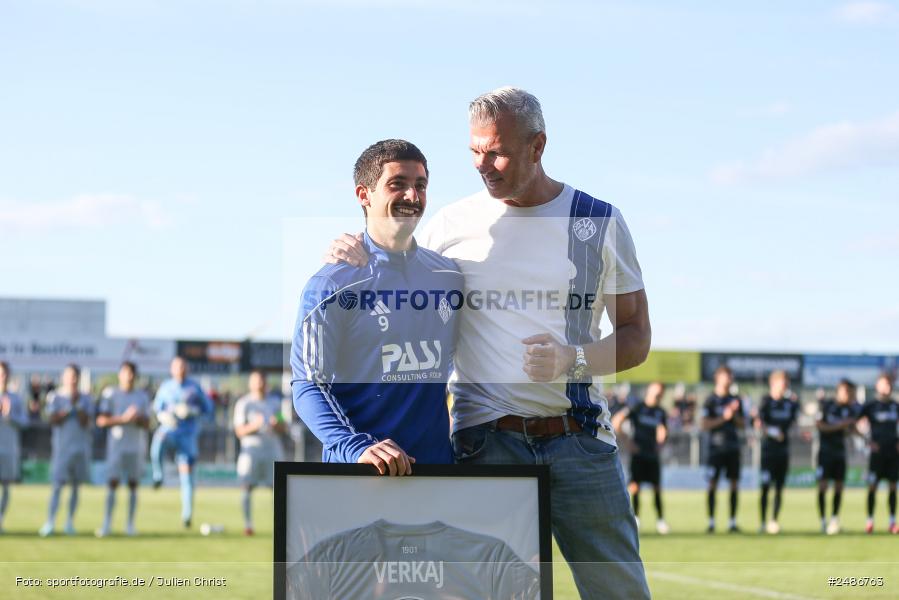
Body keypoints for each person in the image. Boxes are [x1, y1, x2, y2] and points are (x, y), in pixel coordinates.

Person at [326, 88, 652, 600]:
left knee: (621, 593)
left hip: (580, 440)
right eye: (475, 151)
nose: (484, 165)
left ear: (538, 145)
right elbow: (389, 263)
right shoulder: (450, 226)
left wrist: (575, 358)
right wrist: (350, 247)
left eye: (496, 151)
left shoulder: (597, 221)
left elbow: (637, 336)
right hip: (485, 444)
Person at [292, 139, 461, 477]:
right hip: (359, 476)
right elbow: (308, 385)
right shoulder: (331, 284)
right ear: (364, 195)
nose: (412, 196)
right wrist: (357, 447)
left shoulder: (450, 277)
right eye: (397, 184)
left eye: (420, 185)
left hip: (436, 476)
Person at [150, 356, 212, 528]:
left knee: (187, 475)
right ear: (172, 369)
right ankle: (158, 475)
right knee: (158, 440)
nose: (181, 370)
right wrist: (163, 416)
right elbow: (157, 408)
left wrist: (192, 411)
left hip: (187, 435)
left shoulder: (195, 387)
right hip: (169, 430)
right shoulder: (166, 387)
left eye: (183, 367)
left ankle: (187, 515)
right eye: (177, 367)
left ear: (188, 369)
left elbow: (208, 409)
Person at [95, 361, 150, 537]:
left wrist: (137, 418)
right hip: (116, 447)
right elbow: (102, 421)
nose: (129, 376)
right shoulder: (111, 394)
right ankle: (106, 524)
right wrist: (124, 419)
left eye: (132, 373)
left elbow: (148, 422)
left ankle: (130, 525)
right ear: (120, 375)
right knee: (112, 483)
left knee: (133, 485)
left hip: (135, 446)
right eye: (126, 373)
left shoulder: (142, 397)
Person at [39, 364, 94, 536]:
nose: (72, 380)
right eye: (69, 376)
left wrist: (77, 406)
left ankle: (69, 522)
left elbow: (86, 421)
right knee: (57, 486)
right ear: (63, 377)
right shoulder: (55, 397)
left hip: (81, 448)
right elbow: (53, 420)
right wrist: (68, 408)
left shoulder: (86, 399)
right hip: (62, 449)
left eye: (75, 376)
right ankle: (50, 522)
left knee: (76, 486)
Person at [612, 381, 669, 534]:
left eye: (660, 392)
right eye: (655, 390)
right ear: (649, 390)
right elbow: (617, 421)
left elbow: (663, 430)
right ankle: (636, 518)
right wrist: (627, 441)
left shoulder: (661, 412)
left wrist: (660, 443)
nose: (657, 394)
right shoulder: (638, 407)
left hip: (652, 455)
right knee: (635, 487)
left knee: (657, 489)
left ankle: (661, 520)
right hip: (638, 454)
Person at [233, 369, 287, 535]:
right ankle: (248, 525)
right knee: (246, 486)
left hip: (272, 449)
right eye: (256, 380)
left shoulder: (275, 403)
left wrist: (275, 424)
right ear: (250, 383)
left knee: (277, 487)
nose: (259, 384)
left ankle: (279, 526)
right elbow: (239, 431)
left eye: (262, 380)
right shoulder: (244, 404)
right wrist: (255, 426)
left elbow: (283, 426)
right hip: (252, 451)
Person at [754, 370, 800, 534]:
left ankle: (774, 521)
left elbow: (795, 422)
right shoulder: (765, 401)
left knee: (779, 488)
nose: (785, 385)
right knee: (765, 487)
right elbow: (758, 423)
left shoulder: (790, 403)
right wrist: (774, 433)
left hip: (783, 451)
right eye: (782, 382)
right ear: (773, 383)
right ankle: (762, 522)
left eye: (787, 382)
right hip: (768, 452)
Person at [701, 365, 744, 533]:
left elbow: (743, 424)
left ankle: (732, 522)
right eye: (727, 376)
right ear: (718, 378)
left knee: (734, 484)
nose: (729, 379)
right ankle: (711, 522)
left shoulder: (736, 400)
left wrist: (734, 415)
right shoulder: (710, 400)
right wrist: (723, 417)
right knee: (712, 484)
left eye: (731, 376)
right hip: (716, 449)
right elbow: (704, 424)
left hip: (733, 448)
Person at [815, 379, 859, 535]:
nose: (852, 396)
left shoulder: (851, 409)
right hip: (825, 452)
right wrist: (841, 425)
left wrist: (865, 438)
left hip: (840, 452)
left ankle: (834, 519)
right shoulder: (826, 405)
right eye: (850, 392)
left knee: (839, 486)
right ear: (841, 391)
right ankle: (822, 521)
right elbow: (820, 425)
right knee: (823, 486)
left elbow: (850, 430)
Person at [859, 373, 899, 534]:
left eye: (889, 384)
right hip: (877, 454)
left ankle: (892, 522)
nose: (886, 387)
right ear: (877, 386)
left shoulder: (895, 406)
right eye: (884, 384)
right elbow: (854, 423)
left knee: (892, 487)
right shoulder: (870, 406)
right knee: (872, 487)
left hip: (893, 454)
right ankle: (870, 521)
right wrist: (868, 441)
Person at [0, 362, 27, 533]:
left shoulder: (15, 398)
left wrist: (10, 416)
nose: (2, 377)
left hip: (8, 448)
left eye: (5, 374)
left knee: (6, 485)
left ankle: (1, 519)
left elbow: (25, 422)